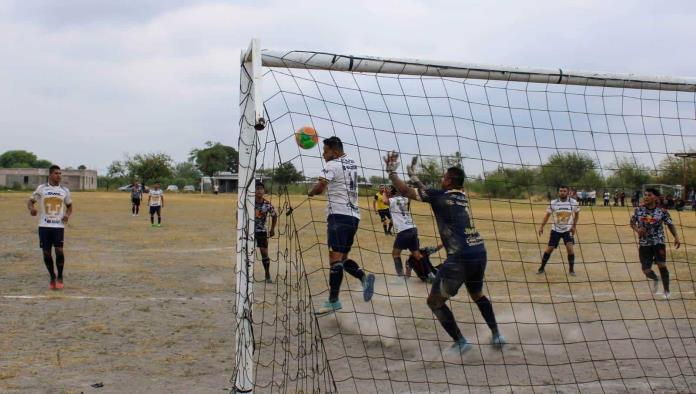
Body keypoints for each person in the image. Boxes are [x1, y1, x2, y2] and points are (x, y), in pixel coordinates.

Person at [384, 152, 505, 353]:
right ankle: (497, 335)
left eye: (443, 177)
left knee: (434, 302)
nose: (441, 179)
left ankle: (461, 342)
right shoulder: (461, 196)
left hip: (460, 257)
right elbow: (428, 192)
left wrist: (391, 171)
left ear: (448, 181)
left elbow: (405, 191)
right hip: (478, 251)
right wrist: (414, 176)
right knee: (477, 294)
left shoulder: (440, 196)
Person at [308, 136, 375, 316]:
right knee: (343, 258)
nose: (323, 155)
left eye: (326, 151)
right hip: (354, 217)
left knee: (335, 259)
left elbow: (321, 187)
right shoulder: (351, 162)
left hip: (338, 215)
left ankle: (333, 301)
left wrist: (311, 192)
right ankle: (363, 278)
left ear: (335, 152)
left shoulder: (332, 165)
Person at [629, 188, 680, 299]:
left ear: (655, 197)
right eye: (645, 194)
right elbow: (632, 223)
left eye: (649, 195)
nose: (646, 196)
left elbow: (670, 224)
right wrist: (638, 230)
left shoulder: (662, 211)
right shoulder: (638, 210)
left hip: (658, 242)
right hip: (644, 244)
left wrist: (676, 237)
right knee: (646, 271)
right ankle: (656, 279)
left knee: (662, 265)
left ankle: (667, 291)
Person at [27, 165, 73, 290]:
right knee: (46, 253)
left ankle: (60, 277)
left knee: (59, 251)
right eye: (56, 173)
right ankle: (52, 276)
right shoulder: (42, 189)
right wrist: (32, 209)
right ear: (50, 175)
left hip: (58, 226)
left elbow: (69, 206)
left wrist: (67, 215)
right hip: (44, 226)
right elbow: (30, 201)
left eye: (60, 173)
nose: (59, 176)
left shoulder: (64, 190)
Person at [537, 185, 580, 275]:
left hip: (567, 230)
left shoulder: (574, 202)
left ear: (568, 192)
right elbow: (547, 215)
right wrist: (541, 226)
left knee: (570, 249)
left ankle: (571, 270)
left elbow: (577, 215)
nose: (562, 192)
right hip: (555, 230)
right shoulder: (554, 202)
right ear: (558, 192)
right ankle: (541, 268)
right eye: (560, 191)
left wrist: (574, 226)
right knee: (549, 249)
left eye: (564, 191)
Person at [382, 185, 422, 277]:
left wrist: (383, 193)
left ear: (392, 192)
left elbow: (384, 201)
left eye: (388, 190)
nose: (386, 191)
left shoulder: (393, 200)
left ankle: (400, 278)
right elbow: (409, 199)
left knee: (395, 254)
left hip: (404, 230)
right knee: (417, 255)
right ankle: (428, 272)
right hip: (412, 227)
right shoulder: (404, 199)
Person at [255, 182, 277, 283]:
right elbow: (239, 212)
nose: (259, 190)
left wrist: (272, 229)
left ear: (264, 191)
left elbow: (274, 215)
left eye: (261, 189)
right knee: (245, 252)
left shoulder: (267, 204)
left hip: (261, 231)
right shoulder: (249, 202)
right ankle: (245, 274)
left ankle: (267, 274)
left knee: (264, 252)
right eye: (257, 188)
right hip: (249, 231)